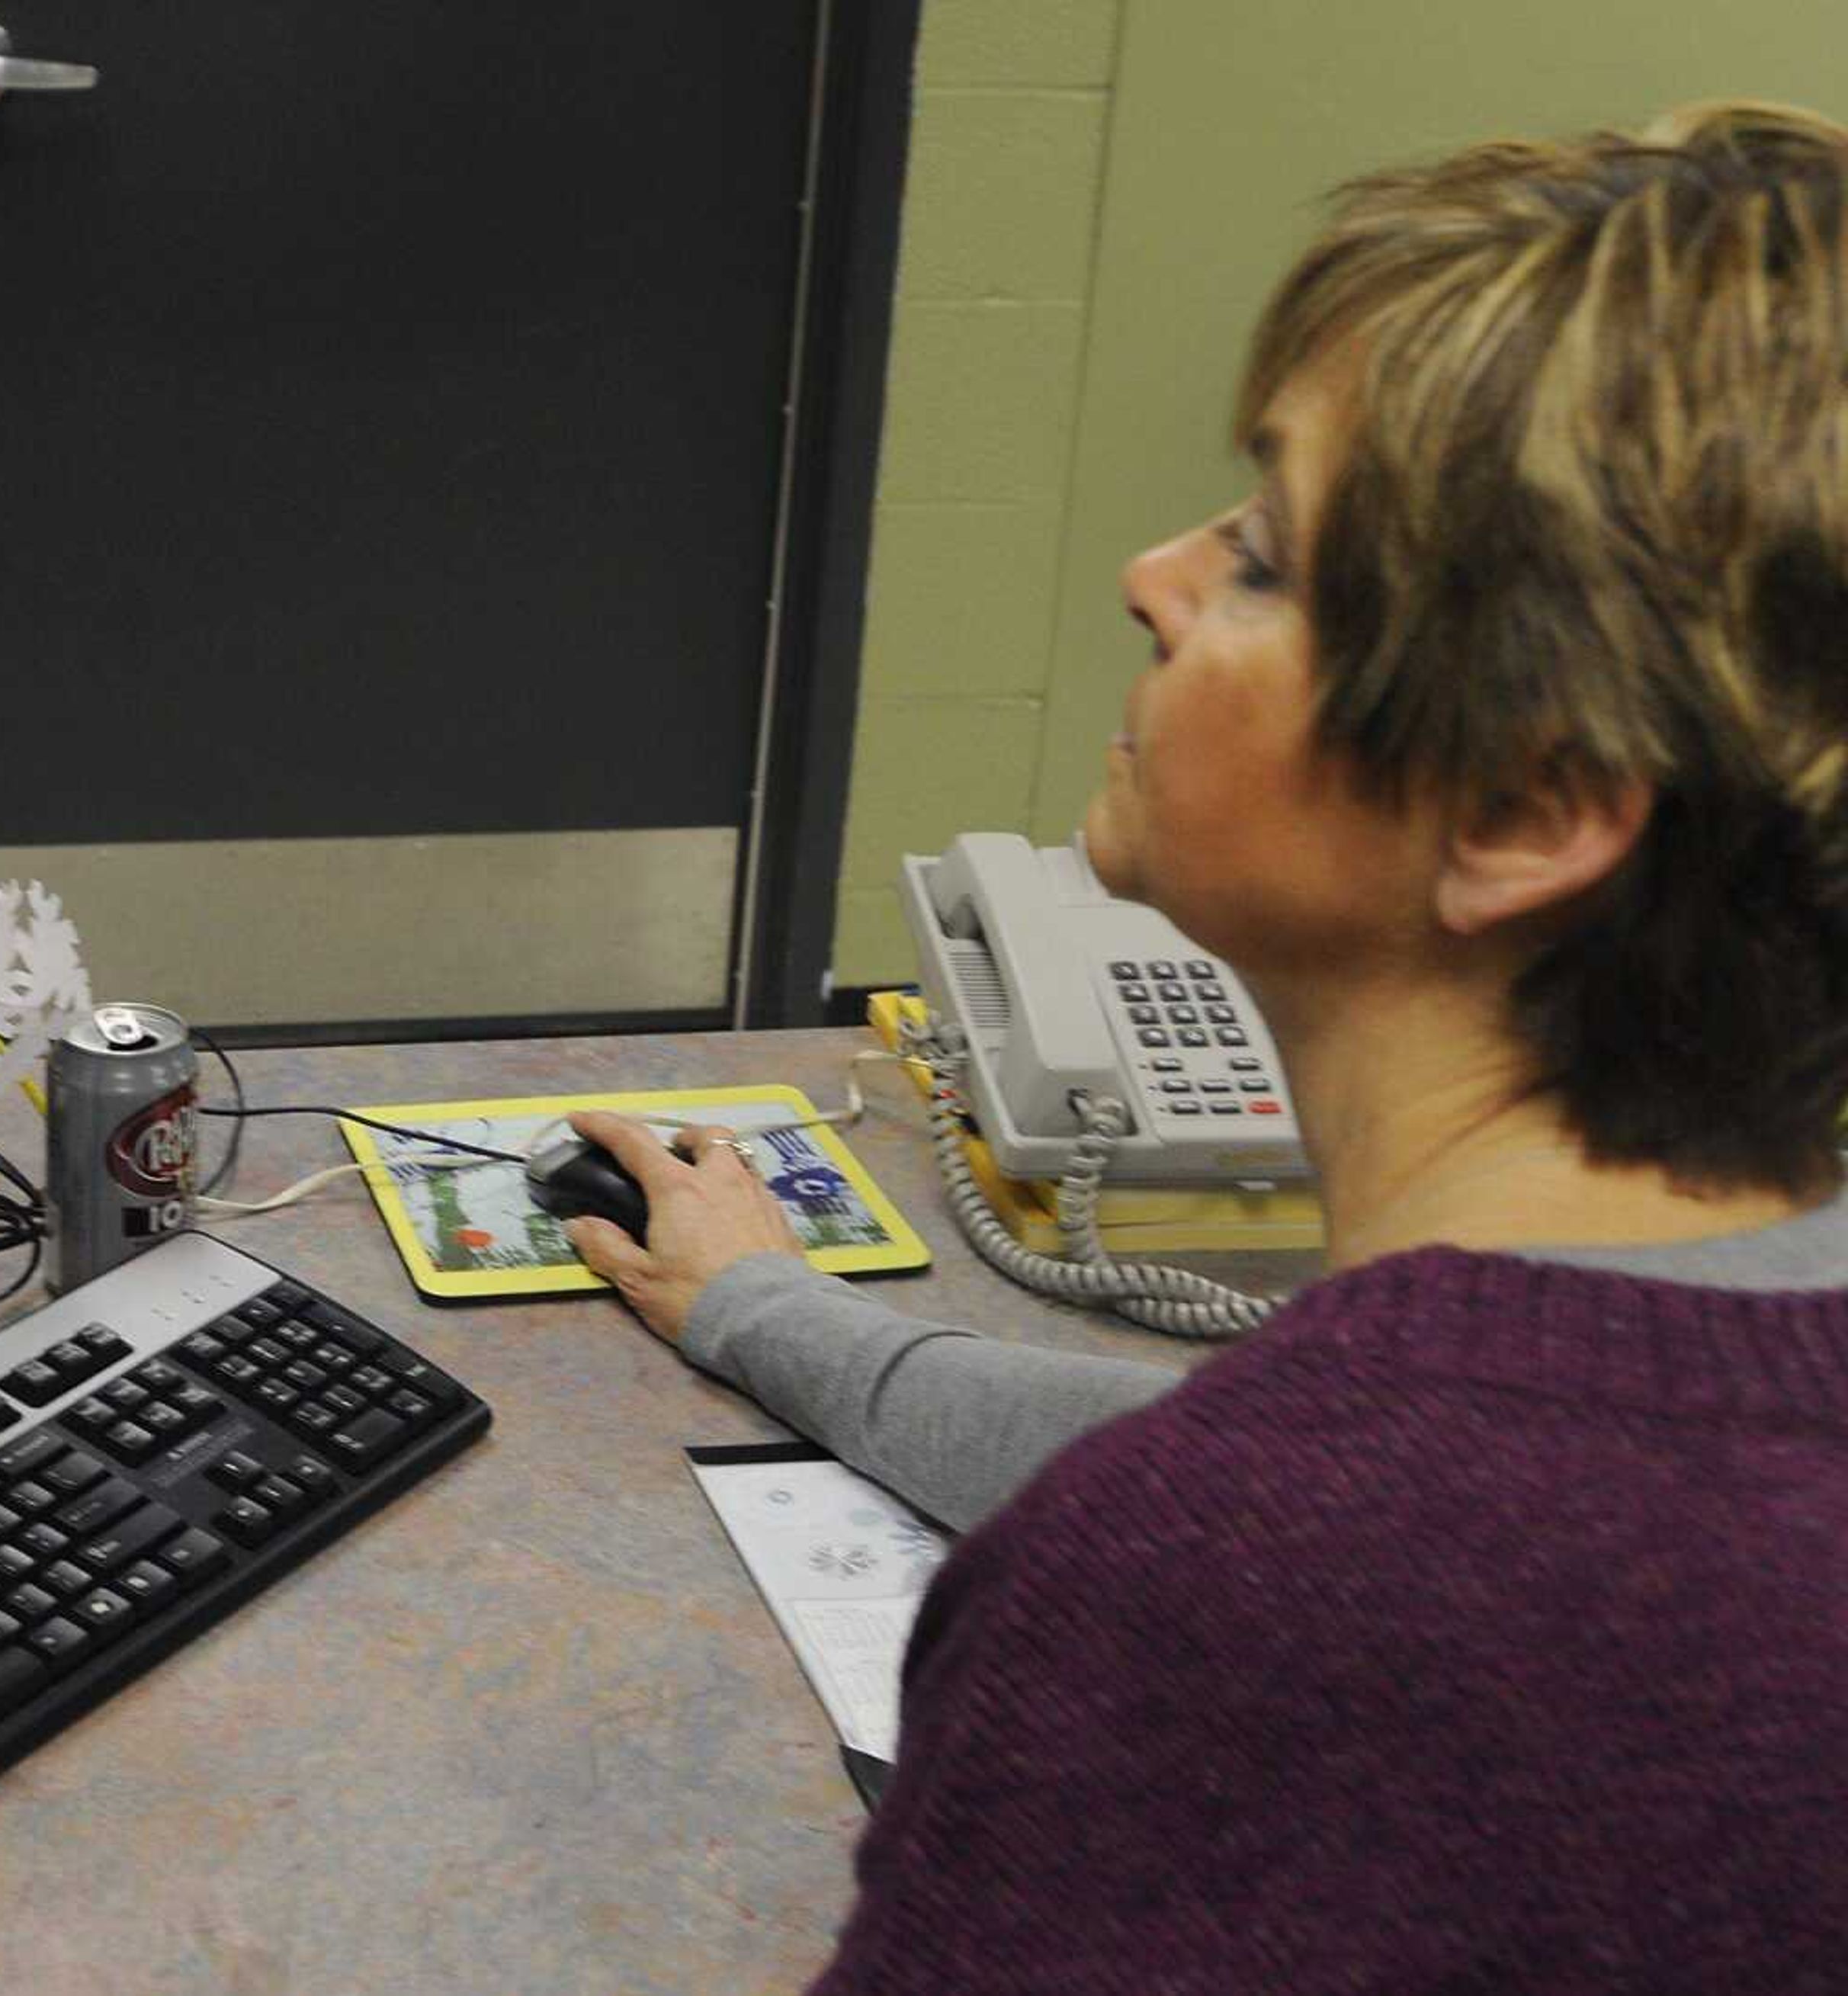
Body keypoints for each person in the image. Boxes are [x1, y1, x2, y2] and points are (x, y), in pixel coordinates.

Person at [567, 101, 1848, 1990]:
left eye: (1261, 557)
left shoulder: (1240, 1591)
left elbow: (1298, 1544)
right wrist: (784, 1315)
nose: (1153, 577)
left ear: (1520, 807)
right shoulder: (1669, 1411)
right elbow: (1322, 1480)